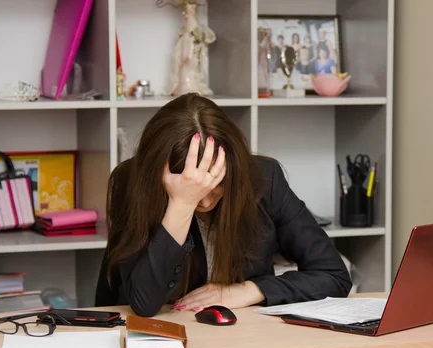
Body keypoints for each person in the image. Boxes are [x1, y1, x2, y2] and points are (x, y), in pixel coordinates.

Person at [95, 93, 352, 317]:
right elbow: (144, 303)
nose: (205, 202)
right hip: (159, 338)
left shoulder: (263, 178)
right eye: (197, 192)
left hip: (242, 335)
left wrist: (250, 290)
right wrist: (181, 204)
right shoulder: (131, 181)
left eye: (215, 190)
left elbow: (333, 275)